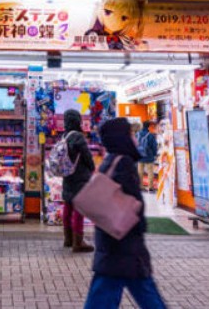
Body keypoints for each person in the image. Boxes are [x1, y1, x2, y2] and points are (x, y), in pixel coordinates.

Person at [84, 117, 168, 309]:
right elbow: (132, 203)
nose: (134, 138)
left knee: (106, 293)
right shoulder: (123, 163)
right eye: (130, 134)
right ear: (121, 137)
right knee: (145, 293)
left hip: (112, 242)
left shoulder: (110, 160)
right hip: (124, 244)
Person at [61, 110, 96, 253]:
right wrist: (92, 167)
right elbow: (87, 157)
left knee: (68, 206)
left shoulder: (65, 136)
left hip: (68, 176)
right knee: (79, 209)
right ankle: (78, 242)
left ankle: (68, 239)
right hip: (80, 177)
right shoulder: (78, 137)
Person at [137, 121, 158, 192]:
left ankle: (140, 186)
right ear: (148, 127)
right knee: (150, 172)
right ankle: (150, 187)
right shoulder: (150, 135)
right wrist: (154, 154)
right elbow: (154, 146)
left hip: (140, 156)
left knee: (140, 172)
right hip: (149, 156)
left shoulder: (138, 134)